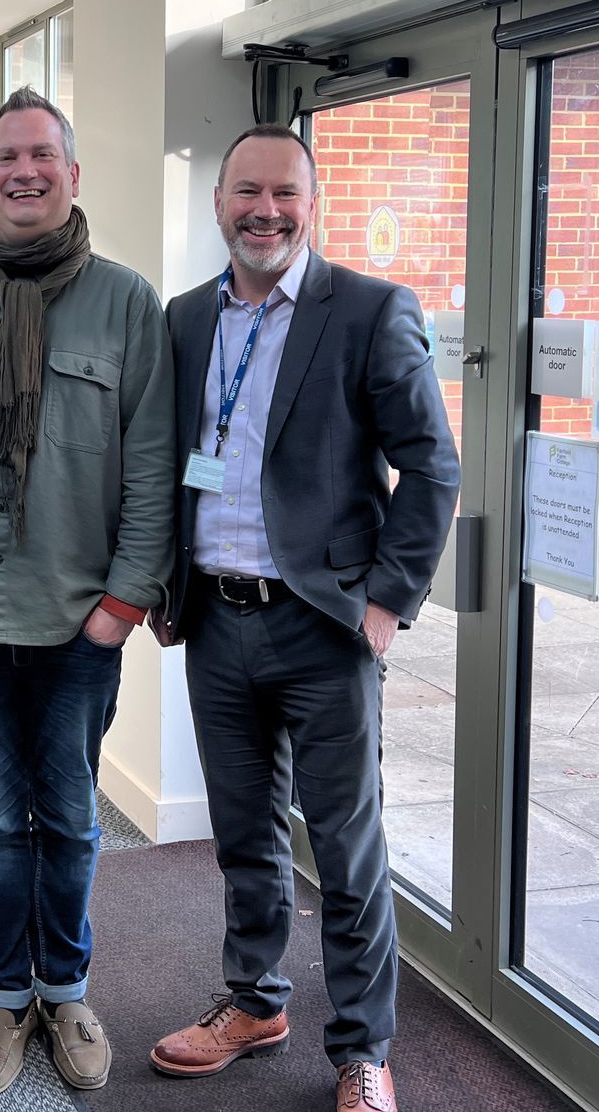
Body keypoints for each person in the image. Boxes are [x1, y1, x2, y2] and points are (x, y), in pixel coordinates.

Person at [147, 125, 459, 1112]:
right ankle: (254, 1001)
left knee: (346, 848)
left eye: (285, 192)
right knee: (245, 835)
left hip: (325, 630)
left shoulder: (367, 311)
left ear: (311, 204)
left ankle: (363, 1050)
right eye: (247, 190)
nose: (265, 209)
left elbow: (434, 467)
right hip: (218, 626)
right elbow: (171, 461)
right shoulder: (186, 317)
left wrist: (383, 607)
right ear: (218, 201)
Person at [0, 86, 174, 1097]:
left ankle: (69, 989)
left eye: (42, 155)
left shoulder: (128, 301)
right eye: (7, 155)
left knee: (70, 816)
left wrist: (124, 602)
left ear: (72, 173)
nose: (24, 172)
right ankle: (6, 1000)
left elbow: (151, 464)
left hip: (77, 622)